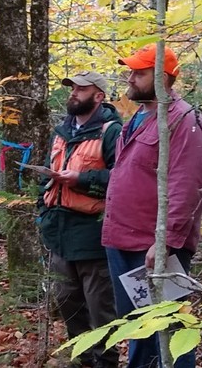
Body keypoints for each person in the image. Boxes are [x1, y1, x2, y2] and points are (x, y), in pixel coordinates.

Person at [101, 44, 202, 368]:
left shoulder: (183, 120)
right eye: (131, 71)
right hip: (122, 239)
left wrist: (166, 242)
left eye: (139, 72)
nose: (130, 78)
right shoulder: (139, 116)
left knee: (168, 333)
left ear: (162, 76)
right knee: (139, 327)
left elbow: (188, 185)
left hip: (154, 245)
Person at [38, 71, 122, 368]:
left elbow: (123, 179)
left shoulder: (112, 132)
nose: (73, 93)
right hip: (59, 233)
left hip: (93, 235)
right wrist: (43, 210)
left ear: (98, 96)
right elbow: (49, 173)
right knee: (67, 301)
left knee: (100, 307)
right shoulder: (62, 130)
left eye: (81, 89)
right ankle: (82, 359)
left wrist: (82, 179)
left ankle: (105, 362)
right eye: (72, 88)